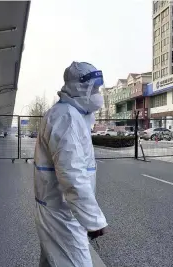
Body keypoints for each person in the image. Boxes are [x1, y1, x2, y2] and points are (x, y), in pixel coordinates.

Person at [33, 62, 108, 267]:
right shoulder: (66, 117)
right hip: (62, 214)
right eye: (94, 89)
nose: (97, 94)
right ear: (79, 87)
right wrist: (93, 221)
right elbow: (72, 175)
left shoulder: (71, 115)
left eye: (98, 89)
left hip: (61, 209)